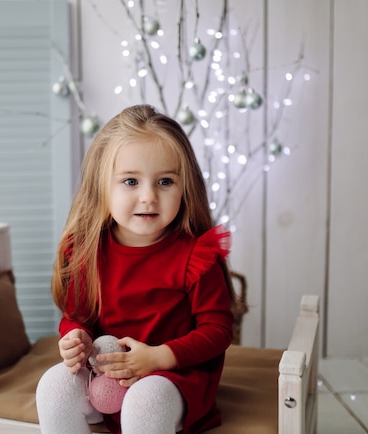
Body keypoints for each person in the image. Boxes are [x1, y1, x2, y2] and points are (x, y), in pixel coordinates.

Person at [36, 104, 234, 434]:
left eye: (165, 182)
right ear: (102, 186)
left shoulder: (195, 255)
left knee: (145, 401)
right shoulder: (88, 250)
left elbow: (218, 330)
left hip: (172, 377)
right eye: (130, 181)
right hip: (107, 375)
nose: (148, 197)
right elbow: (77, 317)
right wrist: (75, 337)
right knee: (54, 385)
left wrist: (158, 358)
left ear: (185, 186)